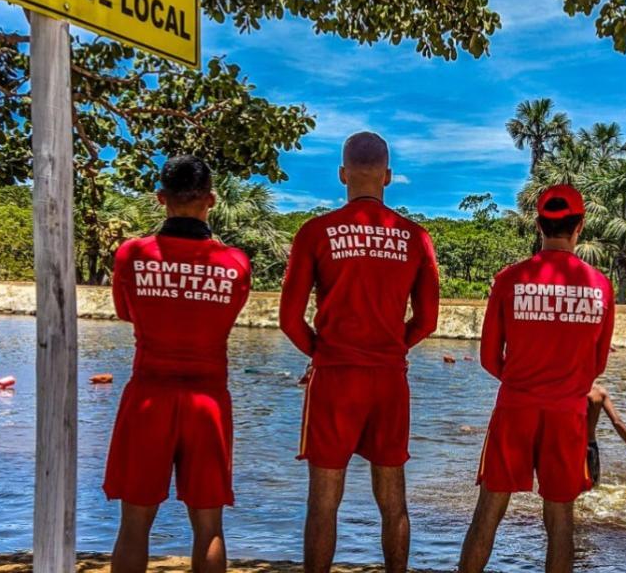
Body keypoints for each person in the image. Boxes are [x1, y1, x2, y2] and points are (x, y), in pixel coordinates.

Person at [279, 132, 440, 573]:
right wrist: (389, 348)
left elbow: (290, 319)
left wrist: (323, 352)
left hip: (334, 378)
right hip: (388, 379)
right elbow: (427, 320)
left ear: (342, 174)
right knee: (393, 500)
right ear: (387, 176)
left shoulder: (314, 233)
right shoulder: (414, 237)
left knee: (323, 503)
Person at [104, 156, 252, 573]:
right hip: (207, 401)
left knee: (134, 524)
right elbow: (226, 316)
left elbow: (126, 313)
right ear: (212, 199)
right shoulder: (235, 263)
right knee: (209, 526)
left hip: (148, 395)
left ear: (160, 198)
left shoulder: (132, 254)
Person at [459, 184, 615, 573]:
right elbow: (597, 364)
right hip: (567, 415)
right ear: (580, 226)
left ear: (538, 225)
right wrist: (562, 385)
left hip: (515, 408)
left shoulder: (509, 280)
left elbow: (488, 357)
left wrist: (521, 380)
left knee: (488, 513)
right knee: (560, 521)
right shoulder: (600, 287)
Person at [585, 384, 626, 487]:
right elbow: (617, 422)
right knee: (593, 488)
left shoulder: (566, 389)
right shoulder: (599, 392)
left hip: (568, 447)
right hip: (590, 447)